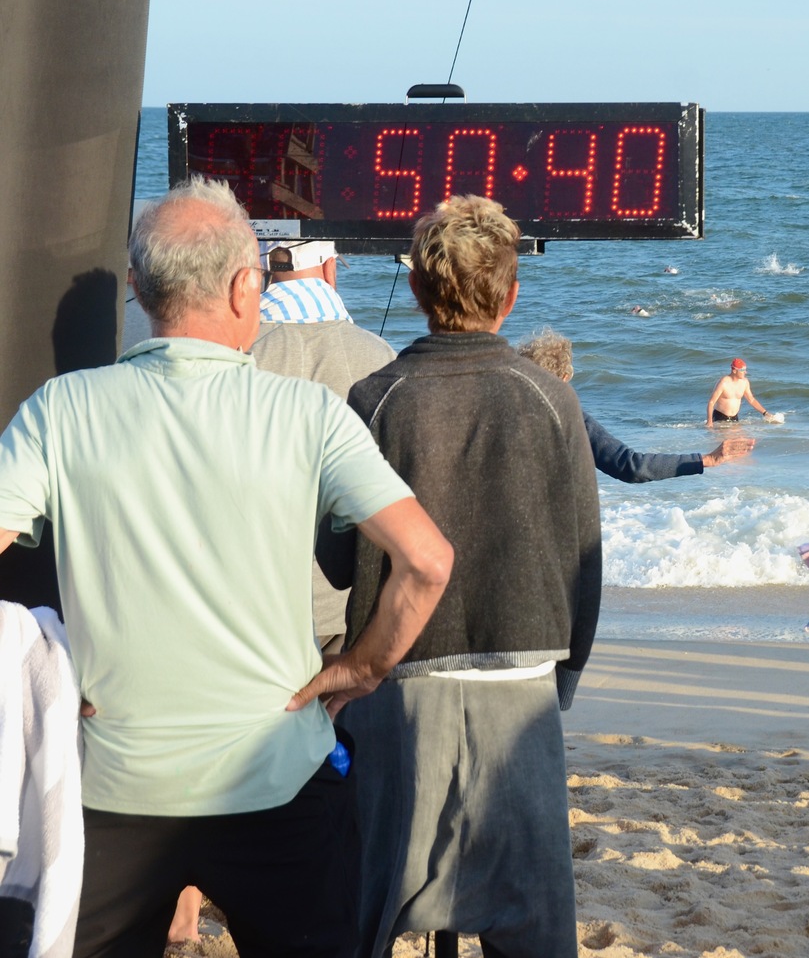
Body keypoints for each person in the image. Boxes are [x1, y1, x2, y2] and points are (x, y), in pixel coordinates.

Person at [0, 176, 453, 958]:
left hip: (114, 785)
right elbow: (426, 558)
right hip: (275, 772)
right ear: (250, 287)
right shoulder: (308, 413)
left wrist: (32, 670)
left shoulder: (60, 408)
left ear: (139, 289)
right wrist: (359, 669)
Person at [323, 195, 601, 958]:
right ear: (512, 295)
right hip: (522, 682)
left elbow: (336, 556)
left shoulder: (377, 399)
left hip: (400, 679)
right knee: (533, 921)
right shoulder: (554, 400)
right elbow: (585, 554)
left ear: (416, 290)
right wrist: (565, 675)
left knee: (375, 901)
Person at [251, 239, 397, 653]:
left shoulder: (235, 355)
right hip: (346, 602)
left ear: (262, 270)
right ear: (330, 269)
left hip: (255, 607)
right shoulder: (380, 357)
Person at [519, 328, 755, 483]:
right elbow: (632, 466)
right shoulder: (567, 417)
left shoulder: (497, 408)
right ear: (561, 379)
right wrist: (707, 460)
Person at [706, 357, 772, 425]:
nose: (745, 372)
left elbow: (751, 400)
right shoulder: (723, 382)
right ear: (734, 371)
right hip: (720, 418)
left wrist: (765, 413)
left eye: (745, 370)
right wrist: (709, 421)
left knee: (744, 436)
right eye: (742, 370)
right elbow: (711, 402)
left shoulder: (744, 382)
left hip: (735, 418)